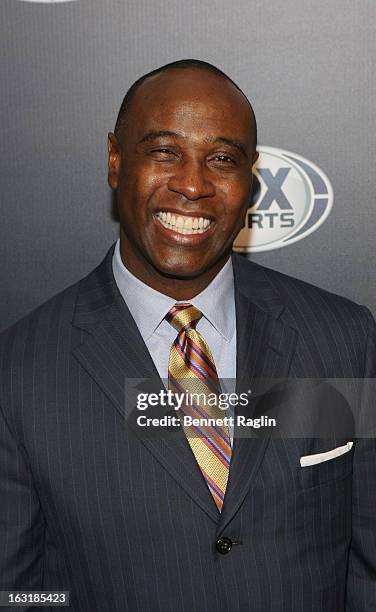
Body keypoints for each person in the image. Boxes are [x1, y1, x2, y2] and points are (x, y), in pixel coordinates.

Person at [0, 59, 375, 612]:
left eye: (222, 159)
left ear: (250, 180)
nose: (193, 184)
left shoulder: (344, 339)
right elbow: (23, 594)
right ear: (115, 161)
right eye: (164, 152)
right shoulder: (19, 372)